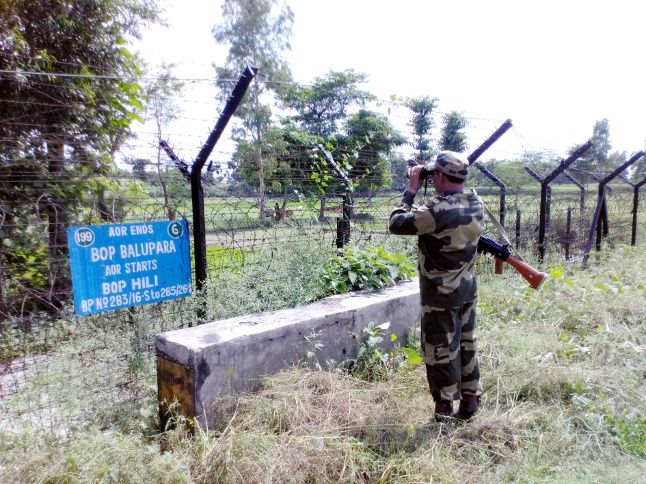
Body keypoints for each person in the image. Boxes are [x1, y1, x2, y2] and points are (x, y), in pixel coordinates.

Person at [389, 151, 485, 422]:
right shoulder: (476, 202)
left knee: (440, 350)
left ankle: (444, 410)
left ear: (440, 176)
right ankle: (470, 402)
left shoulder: (436, 210)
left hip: (440, 295)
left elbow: (397, 223)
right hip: (467, 289)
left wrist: (411, 190)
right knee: (467, 344)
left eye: (434, 174)